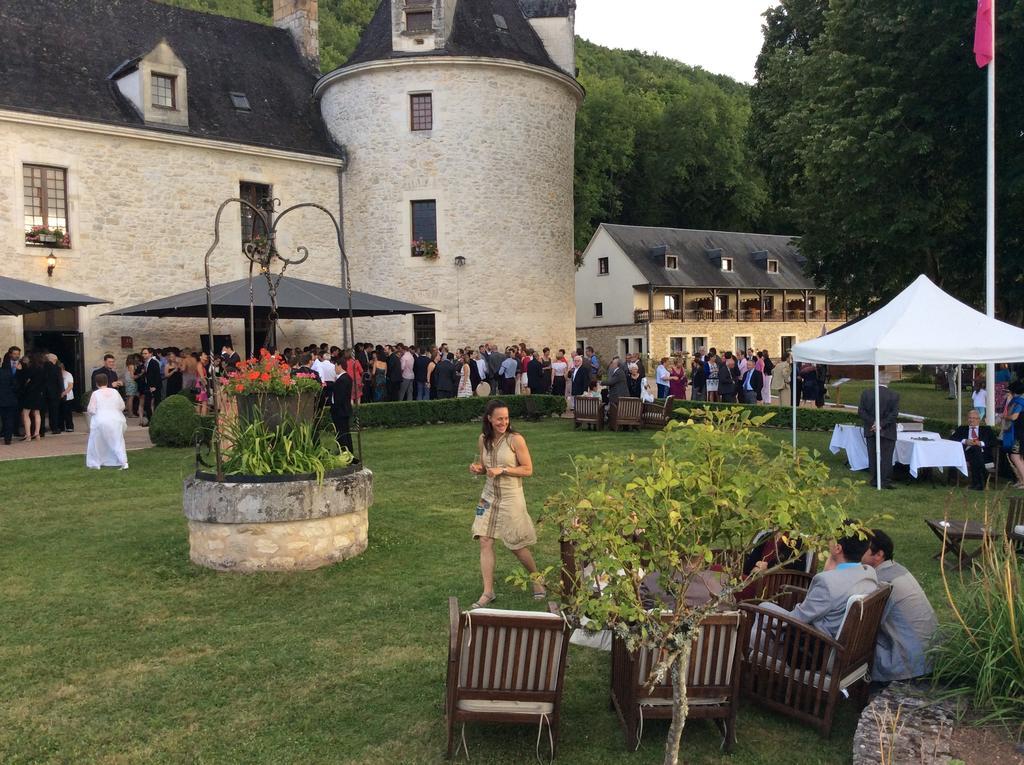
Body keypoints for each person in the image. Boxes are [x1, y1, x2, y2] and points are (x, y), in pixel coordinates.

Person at [468, 400, 545, 608]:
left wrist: (503, 470)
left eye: (506, 418)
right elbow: (486, 467)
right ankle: (488, 591)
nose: (503, 422)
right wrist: (479, 469)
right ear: (489, 419)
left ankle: (537, 579)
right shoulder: (483, 439)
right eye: (499, 418)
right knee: (484, 539)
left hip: (512, 497)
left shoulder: (515, 440)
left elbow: (528, 469)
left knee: (517, 544)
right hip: (488, 496)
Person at [753, 527, 877, 641]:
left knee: (759, 616)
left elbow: (796, 618)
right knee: (764, 609)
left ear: (838, 548)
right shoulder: (869, 573)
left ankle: (746, 658)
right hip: (838, 642)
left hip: (808, 648)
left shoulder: (828, 583)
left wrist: (765, 615)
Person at [862, 530, 938, 683]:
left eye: (863, 548)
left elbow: (862, 624)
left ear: (878, 555)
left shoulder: (881, 582)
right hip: (931, 656)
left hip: (910, 664)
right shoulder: (899, 570)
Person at [858, 370, 900, 489]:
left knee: (873, 455)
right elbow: (894, 414)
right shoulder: (894, 395)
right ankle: (885, 480)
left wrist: (874, 423)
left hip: (871, 429)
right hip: (888, 430)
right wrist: (881, 424)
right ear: (889, 381)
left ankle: (875, 479)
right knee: (886, 456)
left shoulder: (866, 393)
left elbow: (861, 411)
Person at [85, 372, 128, 470]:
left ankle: (97, 461)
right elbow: (122, 406)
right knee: (117, 441)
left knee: (96, 442)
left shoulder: (95, 394)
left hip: (101, 420)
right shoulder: (115, 392)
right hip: (116, 419)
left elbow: (91, 409)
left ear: (96, 383)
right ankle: (122, 461)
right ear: (107, 382)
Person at [948, 409, 997, 490]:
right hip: (966, 454)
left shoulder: (986, 430)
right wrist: (965, 441)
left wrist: (980, 443)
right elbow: (952, 438)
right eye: (970, 418)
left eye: (974, 418)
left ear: (979, 419)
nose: (971, 420)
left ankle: (977, 483)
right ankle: (983, 477)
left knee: (976, 449)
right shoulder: (962, 429)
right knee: (975, 450)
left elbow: (994, 442)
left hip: (983, 455)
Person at [1000, 380, 1024, 488]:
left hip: (1018, 434)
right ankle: (1020, 479)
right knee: (1018, 457)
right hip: (1018, 432)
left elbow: (1014, 416)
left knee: (1015, 456)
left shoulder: (1019, 402)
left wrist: (1004, 417)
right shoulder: (1016, 400)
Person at [19, 353, 45, 440]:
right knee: (37, 413)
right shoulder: (41, 369)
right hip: (38, 393)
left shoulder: (30, 369)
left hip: (30, 393)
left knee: (25, 413)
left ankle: (28, 435)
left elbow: (25, 379)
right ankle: (37, 433)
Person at [330, 359, 354, 454]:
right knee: (344, 432)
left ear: (339, 366)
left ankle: (344, 451)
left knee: (342, 433)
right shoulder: (344, 378)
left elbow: (339, 398)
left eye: (335, 366)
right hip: (343, 410)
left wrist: (333, 408)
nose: (334, 369)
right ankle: (346, 450)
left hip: (340, 411)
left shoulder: (343, 379)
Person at [0, 348, 19, 444]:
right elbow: (15, 386)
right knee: (9, 419)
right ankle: (8, 439)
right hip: (9, 399)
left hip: (5, 399)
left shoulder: (6, 371)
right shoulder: (7, 372)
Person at [42, 353, 64, 434]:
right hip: (54, 393)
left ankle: (42, 428)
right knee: (54, 411)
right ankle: (54, 428)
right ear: (54, 360)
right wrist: (62, 391)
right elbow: (60, 381)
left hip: (43, 392)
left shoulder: (42, 367)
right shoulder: (57, 368)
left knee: (42, 411)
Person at [140, 347, 162, 425]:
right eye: (143, 353)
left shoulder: (154, 362)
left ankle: (156, 420)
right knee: (147, 404)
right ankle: (151, 420)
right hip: (148, 386)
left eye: (145, 353)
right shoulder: (146, 362)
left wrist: (154, 386)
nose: (144, 355)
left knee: (156, 403)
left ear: (150, 354)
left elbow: (157, 375)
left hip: (154, 386)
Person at [59, 361, 75, 432]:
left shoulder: (68, 374)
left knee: (68, 412)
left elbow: (70, 386)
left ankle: (69, 427)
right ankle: (61, 427)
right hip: (59, 396)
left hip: (68, 397)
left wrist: (64, 393)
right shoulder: (57, 375)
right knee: (60, 412)